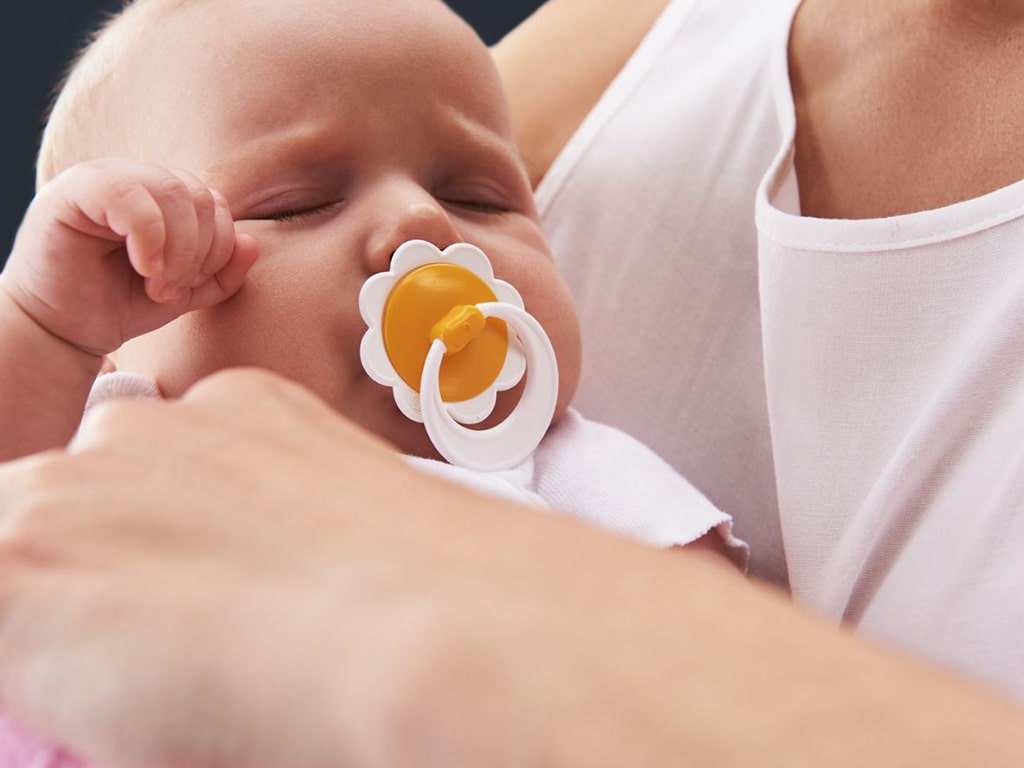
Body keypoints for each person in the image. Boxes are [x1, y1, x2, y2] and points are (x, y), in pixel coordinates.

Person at [0, 0, 1023, 764]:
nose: (421, 225)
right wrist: (43, 326)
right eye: (298, 201)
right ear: (136, 315)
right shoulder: (119, 429)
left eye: (480, 193)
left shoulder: (568, 476)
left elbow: (692, 662)